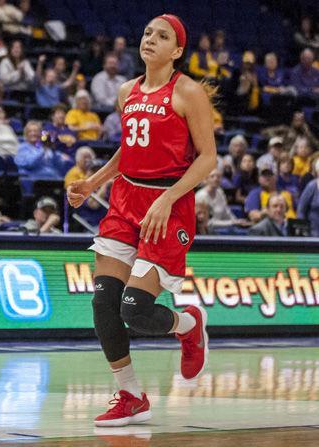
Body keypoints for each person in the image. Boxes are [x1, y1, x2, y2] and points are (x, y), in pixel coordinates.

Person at [67, 14, 215, 426]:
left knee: (134, 309)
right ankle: (130, 394)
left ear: (178, 50)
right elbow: (128, 151)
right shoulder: (126, 91)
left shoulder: (188, 92)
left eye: (162, 36)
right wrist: (92, 181)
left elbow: (208, 158)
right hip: (125, 200)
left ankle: (187, 324)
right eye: (148, 32)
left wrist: (169, 197)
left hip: (168, 204)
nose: (150, 39)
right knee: (104, 303)